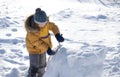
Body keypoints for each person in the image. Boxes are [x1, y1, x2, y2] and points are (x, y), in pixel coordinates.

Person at [24, 8, 64, 77]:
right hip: (33, 50)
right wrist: (47, 48)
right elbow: (37, 42)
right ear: (36, 22)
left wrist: (57, 34)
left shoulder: (45, 23)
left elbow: (53, 26)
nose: (43, 25)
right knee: (35, 67)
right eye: (41, 24)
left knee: (42, 66)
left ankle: (41, 75)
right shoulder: (32, 31)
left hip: (43, 49)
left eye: (44, 23)